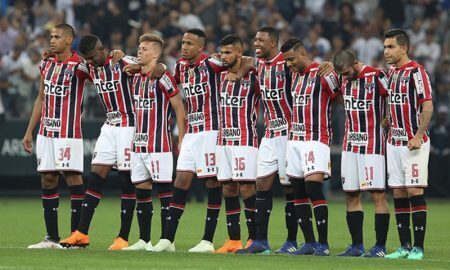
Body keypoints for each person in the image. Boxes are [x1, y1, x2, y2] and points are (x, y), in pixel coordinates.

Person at [58, 34, 166, 250]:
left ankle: (123, 237)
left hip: (129, 125)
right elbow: (68, 63)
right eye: (86, 59)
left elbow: (155, 66)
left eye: (92, 57)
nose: (89, 62)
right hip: (109, 126)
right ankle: (81, 233)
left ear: (101, 49)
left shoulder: (122, 62)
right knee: (96, 176)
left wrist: (161, 65)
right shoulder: (89, 67)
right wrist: (53, 54)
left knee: (126, 181)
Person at [151, 29, 227, 253]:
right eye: (183, 42)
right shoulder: (181, 66)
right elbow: (171, 82)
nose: (184, 47)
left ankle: (208, 240)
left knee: (212, 183)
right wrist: (161, 67)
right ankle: (167, 239)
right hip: (192, 132)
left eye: (190, 43)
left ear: (200, 47)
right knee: (181, 180)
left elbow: (237, 63)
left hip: (212, 131)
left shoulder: (212, 63)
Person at [22, 24, 90, 249]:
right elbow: (41, 98)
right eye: (51, 36)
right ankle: (51, 238)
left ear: (69, 40)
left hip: (68, 132)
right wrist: (30, 131)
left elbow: (99, 72)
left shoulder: (79, 66)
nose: (52, 40)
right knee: (48, 178)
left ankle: (75, 237)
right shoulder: (46, 63)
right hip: (46, 132)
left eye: (57, 37)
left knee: (73, 178)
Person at [237, 27, 298, 254]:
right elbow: (240, 60)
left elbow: (308, 66)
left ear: (273, 43)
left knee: (290, 188)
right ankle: (260, 241)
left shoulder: (287, 63)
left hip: (290, 133)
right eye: (254, 39)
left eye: (260, 40)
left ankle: (292, 242)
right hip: (270, 134)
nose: (256, 43)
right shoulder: (258, 64)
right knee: (261, 185)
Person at [278, 38, 339, 256]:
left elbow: (339, 97)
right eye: (286, 61)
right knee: (298, 191)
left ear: (303, 54)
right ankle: (310, 242)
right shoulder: (294, 75)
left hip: (316, 138)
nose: (288, 64)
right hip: (294, 139)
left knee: (314, 188)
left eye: (291, 59)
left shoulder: (322, 73)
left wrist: (332, 67)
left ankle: (323, 244)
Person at [124, 33, 185, 251]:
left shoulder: (163, 77)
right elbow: (119, 57)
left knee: (164, 191)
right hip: (138, 143)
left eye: (144, 48)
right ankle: (144, 240)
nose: (139, 51)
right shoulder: (135, 75)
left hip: (159, 144)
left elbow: (179, 108)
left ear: (156, 54)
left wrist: (182, 139)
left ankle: (167, 240)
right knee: (141, 190)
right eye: (138, 47)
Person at [333, 49, 390, 258]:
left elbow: (393, 96)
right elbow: (337, 95)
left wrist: (387, 117)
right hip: (350, 145)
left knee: (377, 194)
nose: (345, 77)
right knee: (351, 194)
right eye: (342, 75)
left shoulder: (377, 75)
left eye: (347, 73)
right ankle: (356, 246)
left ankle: (380, 247)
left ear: (355, 63)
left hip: (372, 144)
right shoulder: (341, 78)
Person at [383, 29, 433, 260]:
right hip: (393, 141)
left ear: (404, 48)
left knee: (414, 190)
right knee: (399, 193)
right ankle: (404, 246)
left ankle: (418, 248)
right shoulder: (391, 73)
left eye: (391, 47)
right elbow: (393, 102)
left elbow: (427, 105)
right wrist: (387, 119)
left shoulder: (417, 72)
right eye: (385, 47)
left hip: (413, 143)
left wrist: (418, 135)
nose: (386, 51)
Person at [214, 34, 260, 253]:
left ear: (240, 53)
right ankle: (233, 240)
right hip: (223, 141)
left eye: (228, 52)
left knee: (246, 187)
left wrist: (242, 70)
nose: (223, 57)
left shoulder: (253, 75)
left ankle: (254, 239)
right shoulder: (218, 73)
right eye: (221, 52)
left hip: (245, 140)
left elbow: (253, 61)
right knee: (228, 188)